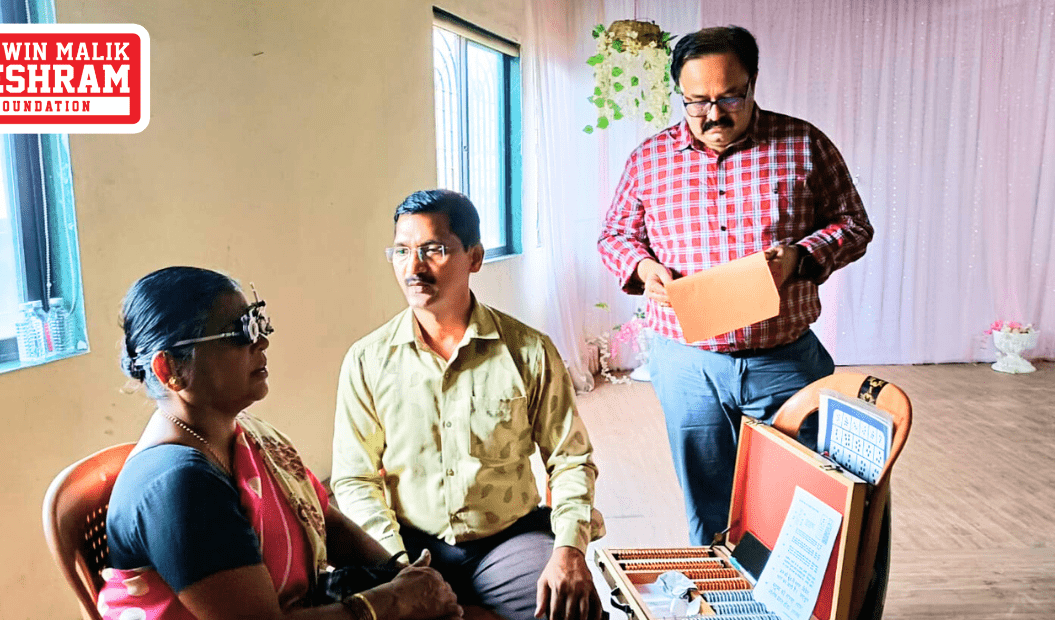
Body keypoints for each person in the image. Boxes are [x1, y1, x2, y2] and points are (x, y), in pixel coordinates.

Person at [597, 26, 874, 546]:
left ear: (753, 83)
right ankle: (724, 594)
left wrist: (801, 256)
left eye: (730, 97)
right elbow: (615, 235)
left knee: (808, 493)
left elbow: (854, 224)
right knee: (708, 500)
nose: (714, 115)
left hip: (785, 357)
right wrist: (641, 267)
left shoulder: (804, 144)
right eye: (696, 102)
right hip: (686, 362)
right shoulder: (648, 160)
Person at [102, 266, 462, 620]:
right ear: (169, 370)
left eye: (256, 324)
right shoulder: (177, 487)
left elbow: (324, 520)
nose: (261, 341)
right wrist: (392, 601)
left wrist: (402, 575)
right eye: (237, 334)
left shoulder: (240, 434)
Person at [332, 190, 605, 620]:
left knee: (575, 609)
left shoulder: (529, 352)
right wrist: (397, 570)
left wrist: (570, 549)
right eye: (402, 251)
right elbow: (354, 479)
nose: (414, 267)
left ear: (474, 258)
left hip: (505, 540)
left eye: (433, 250)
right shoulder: (368, 360)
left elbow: (571, 461)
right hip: (407, 543)